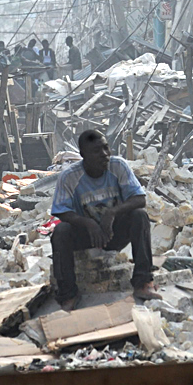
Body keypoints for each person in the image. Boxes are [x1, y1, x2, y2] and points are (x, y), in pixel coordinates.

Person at [50, 129, 162, 309]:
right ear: (83, 155)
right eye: (96, 151)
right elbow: (60, 211)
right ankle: (68, 294)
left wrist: (112, 213)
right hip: (87, 236)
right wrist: (88, 223)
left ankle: (143, 282)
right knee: (61, 231)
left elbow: (140, 199)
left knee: (139, 216)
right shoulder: (69, 177)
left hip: (113, 234)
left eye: (106, 148)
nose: (104, 155)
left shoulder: (118, 166)